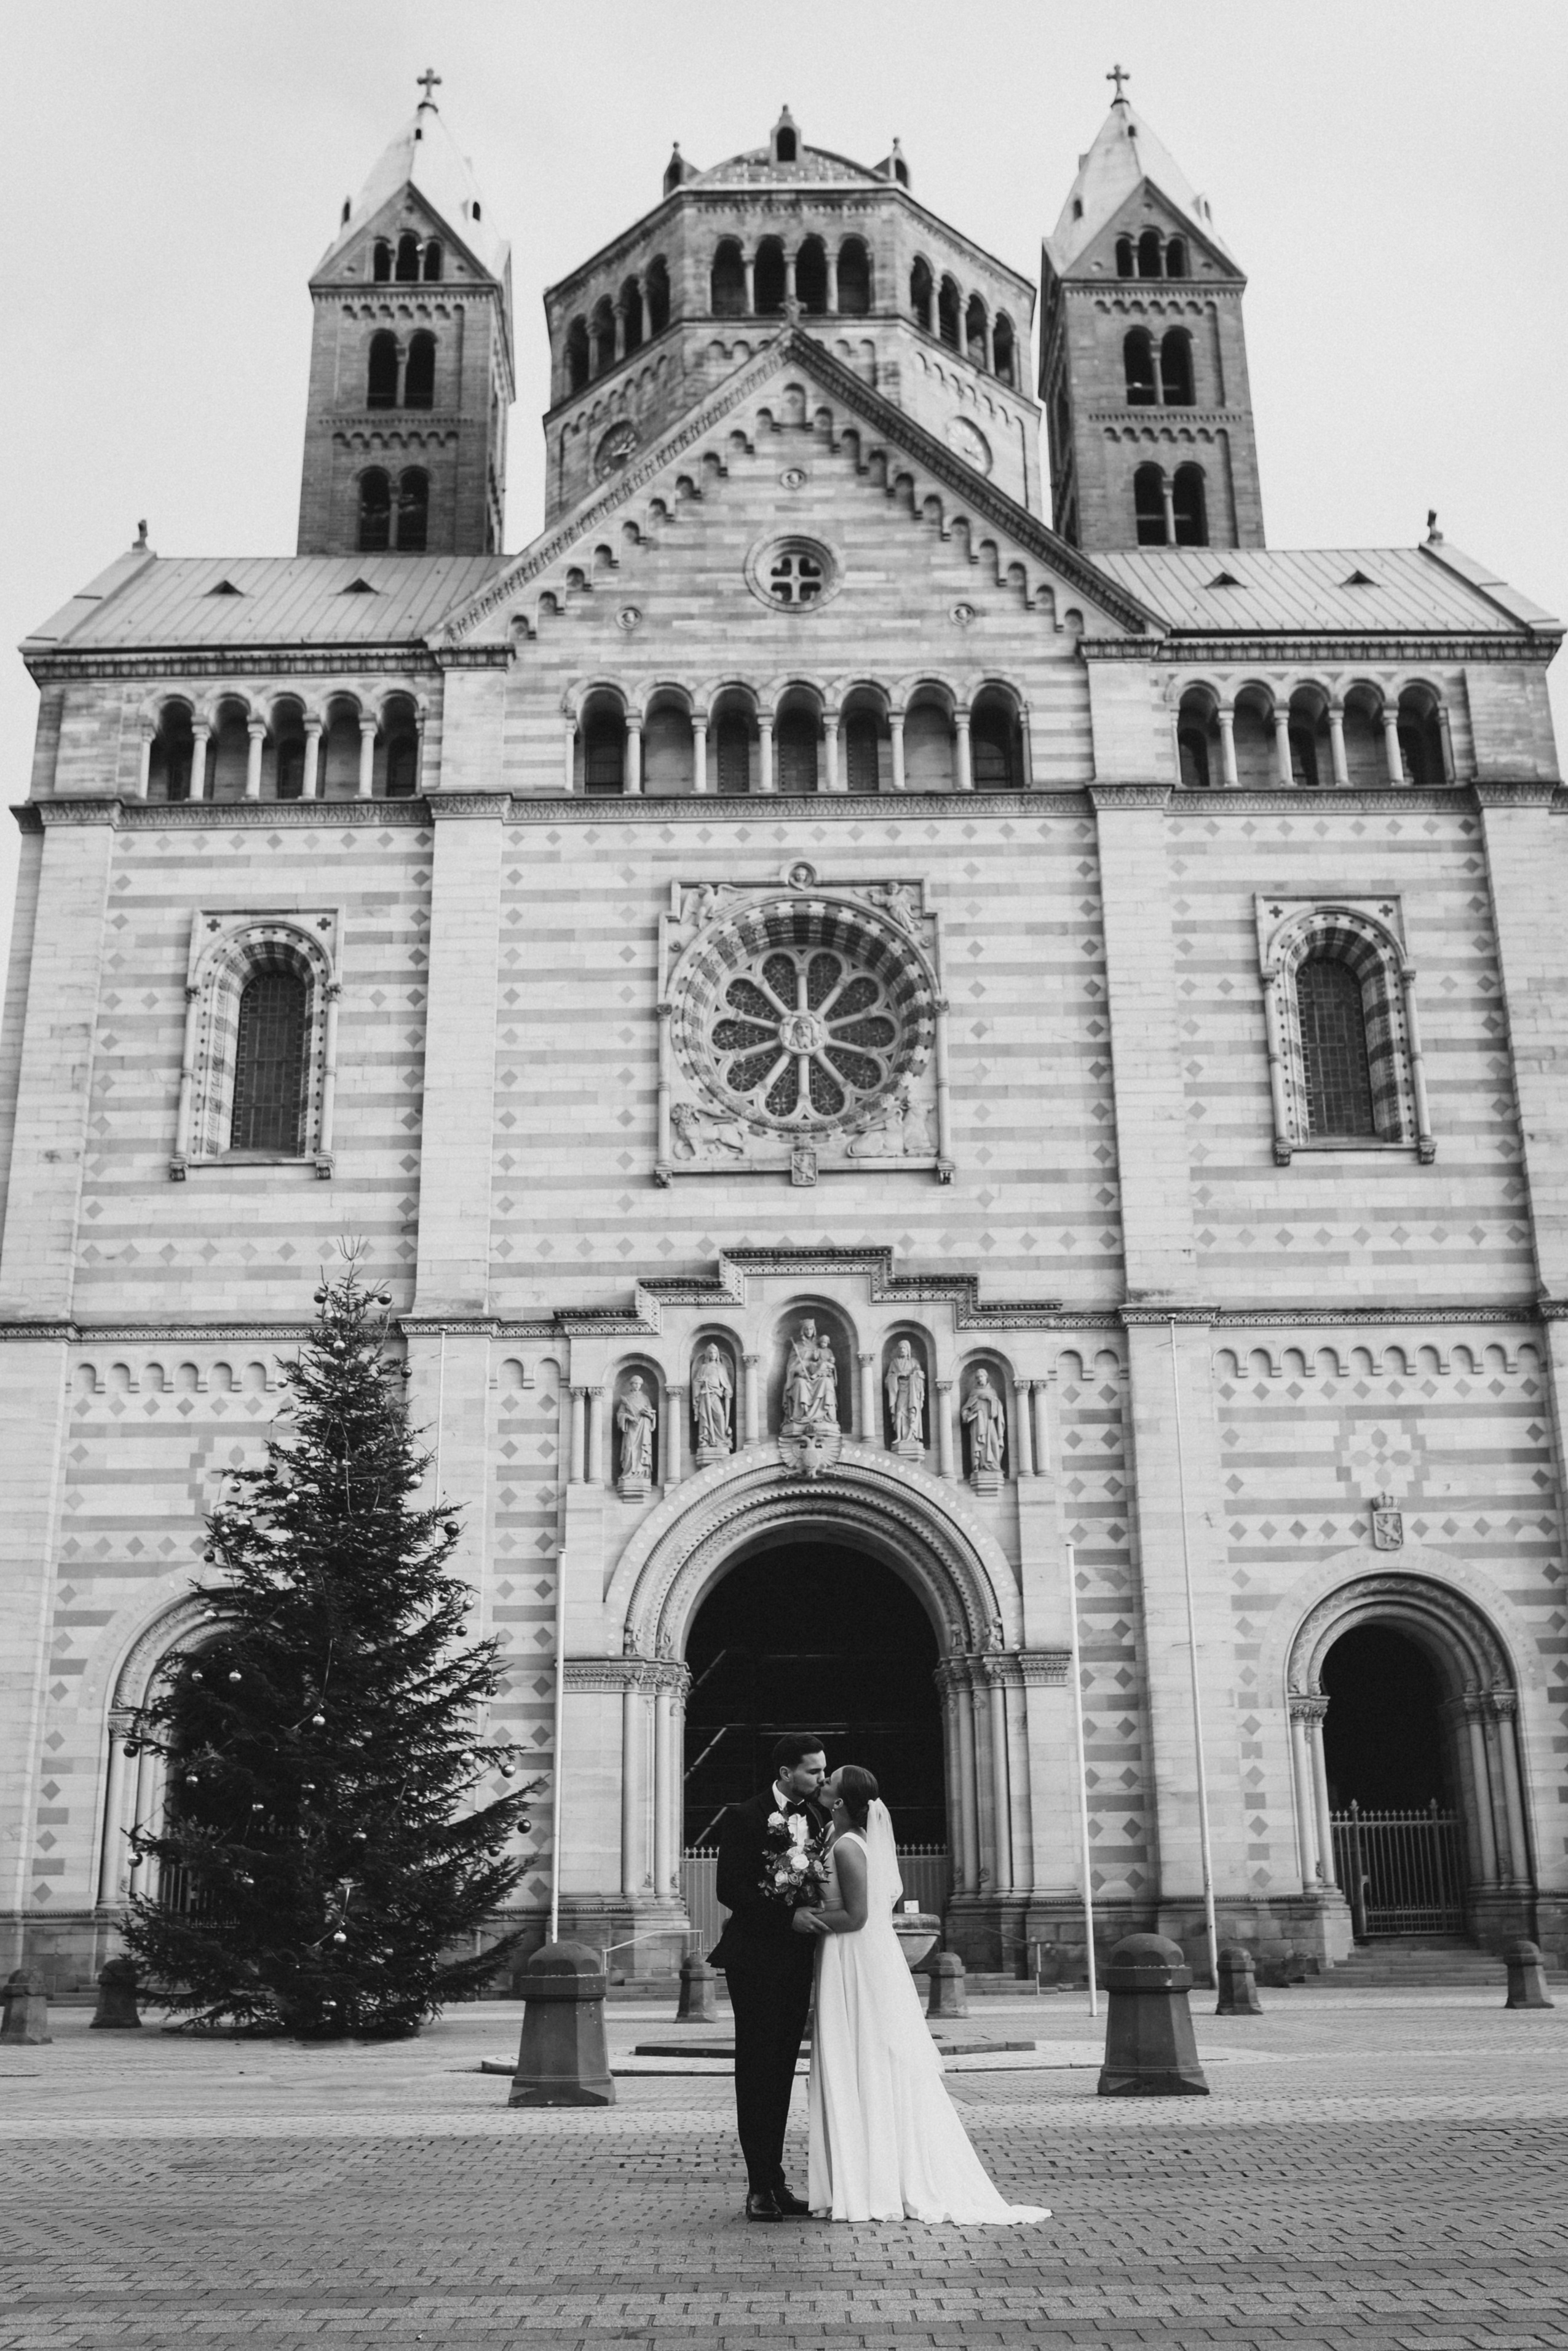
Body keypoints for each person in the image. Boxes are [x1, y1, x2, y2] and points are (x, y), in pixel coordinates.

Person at [798, 1765, 1050, 2226]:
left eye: (831, 1777)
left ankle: (874, 2182)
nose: (824, 1778)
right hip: (844, 1958)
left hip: (852, 1956)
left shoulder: (849, 1847)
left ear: (839, 1800)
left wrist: (802, 1919)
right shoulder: (840, 1840)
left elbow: (856, 1917)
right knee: (856, 2057)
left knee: (865, 2058)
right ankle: (861, 2176)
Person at [709, 1733, 831, 2221]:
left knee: (781, 2072)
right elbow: (729, 1888)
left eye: (823, 1770)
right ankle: (759, 2186)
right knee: (756, 2071)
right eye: (814, 1771)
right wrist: (787, 1918)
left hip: (795, 1960)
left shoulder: (818, 1818)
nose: (823, 1778)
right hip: (754, 1960)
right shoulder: (744, 1816)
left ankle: (776, 2180)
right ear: (786, 1773)